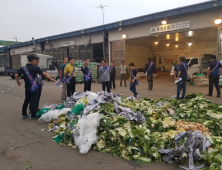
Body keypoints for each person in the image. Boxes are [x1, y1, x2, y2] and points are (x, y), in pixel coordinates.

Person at [15, 55, 56, 119]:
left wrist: (18, 82)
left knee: (27, 100)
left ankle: (24, 114)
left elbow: (16, 75)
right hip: (34, 87)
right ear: (33, 60)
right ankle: (33, 115)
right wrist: (51, 79)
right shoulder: (35, 67)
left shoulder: (23, 67)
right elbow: (44, 73)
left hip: (27, 86)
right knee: (34, 100)